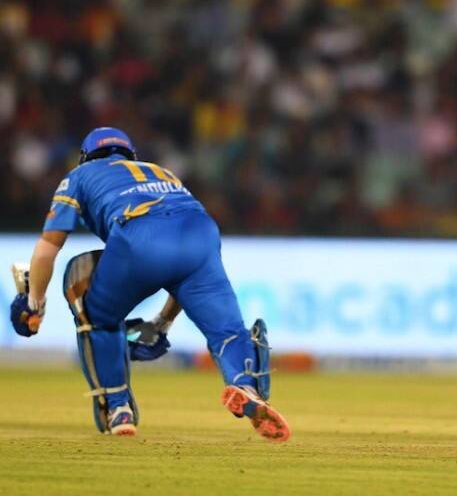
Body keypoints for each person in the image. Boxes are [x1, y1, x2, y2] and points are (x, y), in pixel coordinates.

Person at [8, 127, 290, 441]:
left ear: (85, 156)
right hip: (200, 233)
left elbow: (49, 246)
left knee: (88, 295)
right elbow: (178, 268)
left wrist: (34, 303)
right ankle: (245, 385)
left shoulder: (79, 174)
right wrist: (161, 323)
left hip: (140, 235)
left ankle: (117, 407)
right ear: (131, 155)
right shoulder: (161, 172)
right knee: (227, 331)